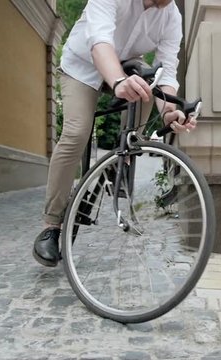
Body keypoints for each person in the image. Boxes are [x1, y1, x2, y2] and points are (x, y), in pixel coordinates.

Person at [33, 0, 196, 267]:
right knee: (76, 134)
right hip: (83, 66)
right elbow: (100, 43)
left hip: (126, 67)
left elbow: (167, 69)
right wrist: (119, 82)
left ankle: (123, 155)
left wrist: (170, 112)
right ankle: (51, 225)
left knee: (147, 86)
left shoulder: (172, 17)